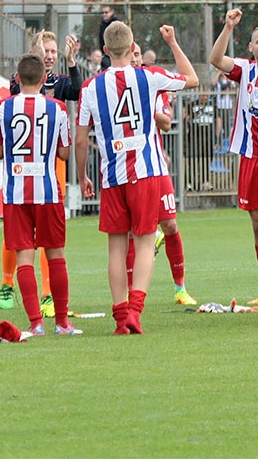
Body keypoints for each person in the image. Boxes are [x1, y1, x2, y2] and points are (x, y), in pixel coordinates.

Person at [76, 22, 198, 335]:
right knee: (145, 243)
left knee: (116, 249)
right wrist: (172, 44)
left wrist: (82, 175)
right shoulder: (149, 76)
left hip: (112, 175)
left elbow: (80, 139)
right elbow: (192, 79)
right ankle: (135, 311)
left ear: (105, 51)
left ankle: (120, 317)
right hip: (147, 171)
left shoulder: (90, 87)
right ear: (133, 50)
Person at [208, 10, 258, 306]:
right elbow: (216, 59)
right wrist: (228, 27)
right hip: (249, 156)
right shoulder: (245, 69)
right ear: (251, 47)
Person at [0, 53, 80, 335]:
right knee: (56, 255)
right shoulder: (57, 108)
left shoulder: (3, 108)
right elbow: (65, 153)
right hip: (48, 191)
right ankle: (63, 323)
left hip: (15, 193)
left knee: (24, 257)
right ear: (44, 79)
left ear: (17, 79)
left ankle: (35, 323)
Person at [126, 42, 198, 305]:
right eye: (130, 55)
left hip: (155, 166)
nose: (134, 59)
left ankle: (180, 289)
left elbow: (166, 123)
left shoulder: (153, 84)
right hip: (125, 169)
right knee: (130, 233)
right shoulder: (113, 86)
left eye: (137, 55)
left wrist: (144, 109)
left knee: (170, 225)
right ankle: (129, 292)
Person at [97, 4, 122, 70]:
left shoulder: (116, 23)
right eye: (102, 13)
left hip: (114, 53)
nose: (104, 14)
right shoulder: (102, 24)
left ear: (111, 12)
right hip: (105, 52)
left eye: (106, 12)